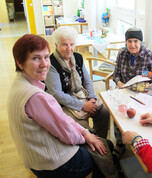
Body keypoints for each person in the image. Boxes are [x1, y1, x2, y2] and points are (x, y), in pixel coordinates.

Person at [7, 34, 118, 178]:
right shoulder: (37, 96)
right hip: (52, 163)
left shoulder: (19, 84)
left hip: (34, 155)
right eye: (35, 58)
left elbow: (87, 82)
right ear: (20, 63)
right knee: (106, 146)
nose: (44, 64)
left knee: (99, 122)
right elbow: (67, 132)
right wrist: (86, 136)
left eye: (45, 57)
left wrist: (92, 98)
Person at [45, 26, 110, 139]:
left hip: (80, 95)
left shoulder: (78, 57)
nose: (69, 48)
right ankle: (92, 145)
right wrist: (83, 105)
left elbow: (87, 80)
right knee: (82, 127)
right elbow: (57, 95)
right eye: (65, 44)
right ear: (56, 45)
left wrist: (92, 98)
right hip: (64, 103)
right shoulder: (51, 64)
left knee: (104, 111)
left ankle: (102, 140)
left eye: (72, 44)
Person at [112, 27, 152, 158]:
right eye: (129, 41)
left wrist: (146, 75)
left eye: (136, 41)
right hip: (124, 90)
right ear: (126, 42)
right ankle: (119, 143)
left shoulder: (149, 54)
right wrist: (119, 83)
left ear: (141, 42)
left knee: (140, 116)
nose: (132, 45)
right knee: (119, 114)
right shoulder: (122, 54)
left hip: (142, 92)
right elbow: (116, 74)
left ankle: (140, 141)